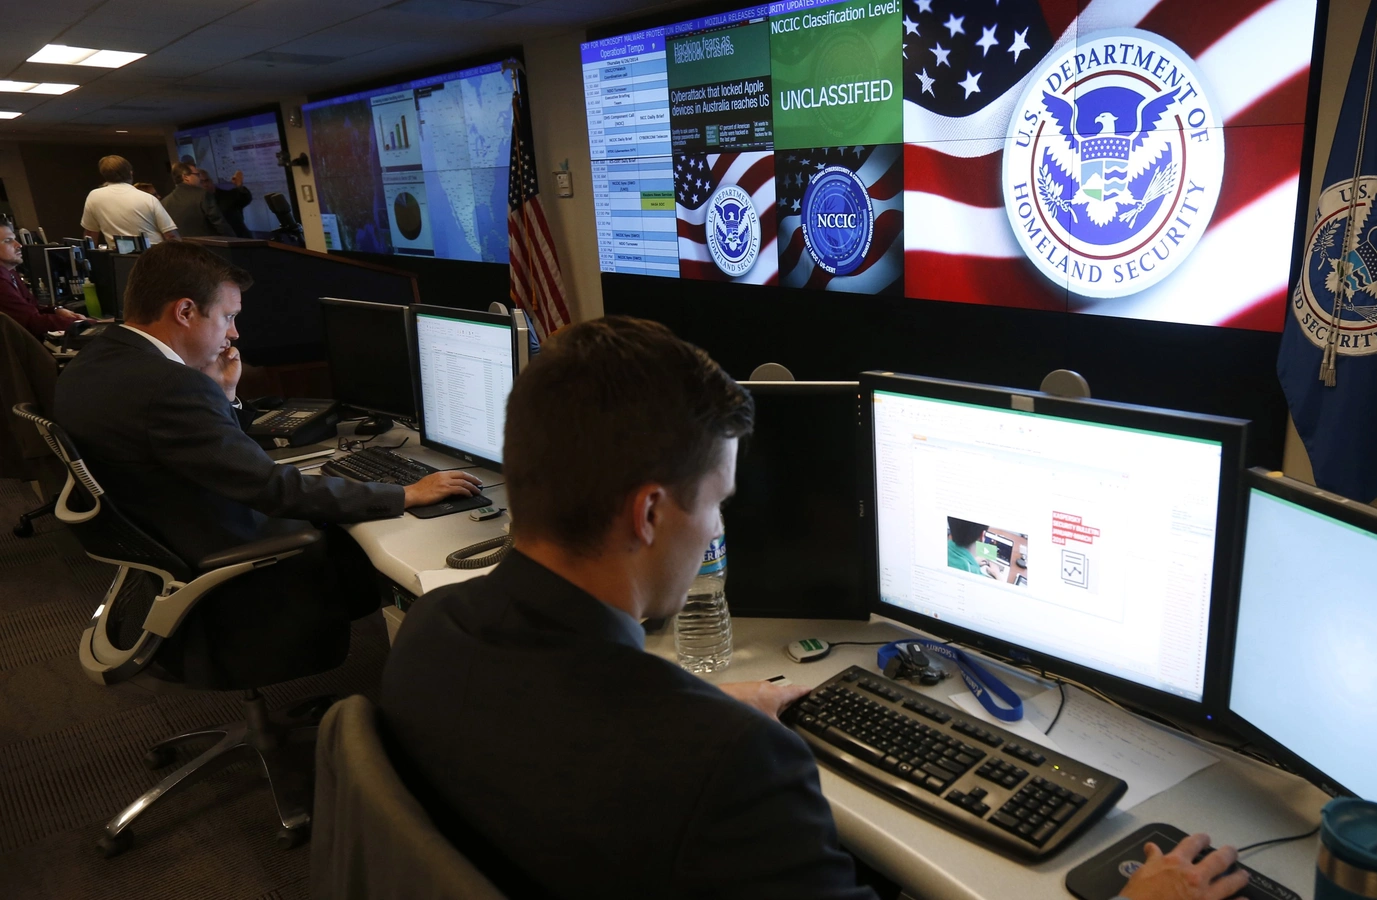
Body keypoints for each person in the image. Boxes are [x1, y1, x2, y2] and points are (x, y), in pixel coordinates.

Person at [380, 317, 1250, 900]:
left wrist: (697, 708)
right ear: (649, 514)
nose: (718, 527)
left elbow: (571, 738)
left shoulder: (427, 636)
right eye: (715, 503)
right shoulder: (727, 769)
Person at [53, 239, 480, 567]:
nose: (234, 334)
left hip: (165, 529)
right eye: (228, 317)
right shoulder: (169, 386)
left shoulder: (94, 359)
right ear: (185, 312)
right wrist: (403, 493)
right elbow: (272, 489)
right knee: (395, 546)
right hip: (220, 541)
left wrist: (224, 397)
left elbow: (202, 450)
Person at [0, 223, 85, 339]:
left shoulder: (10, 273)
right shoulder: (1, 282)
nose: (18, 245)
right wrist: (85, 325)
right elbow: (32, 322)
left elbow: (31, 308)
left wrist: (56, 310)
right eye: (8, 241)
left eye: (15, 239)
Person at [81, 155, 178, 246]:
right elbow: (171, 235)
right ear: (130, 173)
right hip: (153, 255)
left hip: (120, 259)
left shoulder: (94, 196)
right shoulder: (148, 198)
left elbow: (90, 236)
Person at [162, 162, 234, 238]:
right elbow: (219, 223)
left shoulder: (165, 202)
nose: (199, 178)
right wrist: (235, 241)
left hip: (181, 248)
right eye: (197, 175)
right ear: (186, 177)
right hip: (207, 247)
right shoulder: (202, 195)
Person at [202, 168, 253, 238]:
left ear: (211, 180)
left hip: (239, 239)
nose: (205, 185)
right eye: (201, 182)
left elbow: (245, 198)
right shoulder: (199, 202)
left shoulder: (227, 195)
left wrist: (239, 186)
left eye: (206, 181)